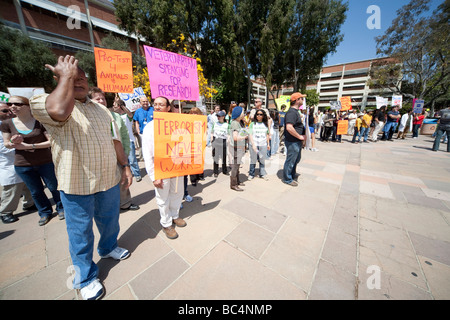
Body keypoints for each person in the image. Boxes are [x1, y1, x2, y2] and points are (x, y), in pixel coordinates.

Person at [30, 56, 132, 300]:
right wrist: (66, 76)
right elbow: (59, 111)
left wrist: (125, 167)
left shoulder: (101, 109)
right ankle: (85, 278)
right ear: (58, 79)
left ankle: (108, 248)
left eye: (82, 79)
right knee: (80, 234)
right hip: (76, 184)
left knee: (110, 221)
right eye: (71, 78)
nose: (79, 82)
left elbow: (115, 140)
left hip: (108, 179)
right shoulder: (42, 101)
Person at [1, 96, 64, 226]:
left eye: (17, 103)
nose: (12, 106)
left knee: (54, 187)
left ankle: (61, 208)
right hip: (23, 165)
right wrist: (13, 142)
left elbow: (51, 141)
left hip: (45, 162)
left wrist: (30, 146)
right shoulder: (7, 124)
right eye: (10, 103)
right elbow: (6, 143)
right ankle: (45, 212)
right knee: (35, 191)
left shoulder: (40, 122)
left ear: (28, 106)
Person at [141, 96, 186, 239]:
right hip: (161, 169)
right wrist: (153, 176)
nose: (157, 107)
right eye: (155, 104)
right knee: (163, 197)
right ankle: (166, 224)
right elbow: (147, 154)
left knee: (177, 193)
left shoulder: (177, 124)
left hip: (177, 167)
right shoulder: (150, 127)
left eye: (161, 104)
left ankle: (175, 215)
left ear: (168, 108)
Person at [89, 87, 140, 212]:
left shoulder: (115, 116)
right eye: (97, 99)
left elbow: (124, 136)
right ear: (90, 101)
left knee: (123, 181)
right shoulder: (87, 117)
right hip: (98, 158)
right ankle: (106, 207)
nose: (101, 101)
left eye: (103, 98)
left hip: (118, 156)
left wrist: (126, 153)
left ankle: (125, 203)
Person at [0, 101, 35, 223]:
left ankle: (29, 204)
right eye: (4, 110)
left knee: (28, 187)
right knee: (12, 190)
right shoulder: (3, 126)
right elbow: (3, 148)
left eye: (9, 109)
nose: (9, 112)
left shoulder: (13, 122)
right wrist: (20, 145)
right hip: (9, 164)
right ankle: (5, 212)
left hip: (23, 161)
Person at [113, 98, 142, 182]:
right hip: (119, 142)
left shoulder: (127, 116)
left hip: (129, 141)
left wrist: (121, 104)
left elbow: (130, 114)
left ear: (119, 106)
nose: (113, 107)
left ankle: (137, 174)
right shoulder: (115, 117)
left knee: (132, 159)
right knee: (124, 160)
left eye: (114, 105)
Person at [282, 92, 306, 187]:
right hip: (293, 141)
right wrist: (300, 136)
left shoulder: (295, 112)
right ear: (296, 100)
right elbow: (289, 127)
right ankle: (287, 179)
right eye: (301, 98)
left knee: (296, 159)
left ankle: (291, 174)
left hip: (296, 141)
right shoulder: (292, 112)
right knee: (291, 160)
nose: (303, 100)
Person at [229, 106, 248, 191]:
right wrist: (245, 136)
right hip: (236, 147)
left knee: (238, 165)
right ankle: (233, 184)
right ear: (239, 114)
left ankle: (237, 181)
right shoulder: (235, 123)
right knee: (235, 166)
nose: (244, 114)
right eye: (243, 112)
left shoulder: (239, 122)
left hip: (239, 147)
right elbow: (235, 138)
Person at [248, 109, 270, 180]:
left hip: (263, 144)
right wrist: (253, 144)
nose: (259, 116)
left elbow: (267, 134)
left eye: (261, 114)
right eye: (257, 114)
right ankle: (251, 174)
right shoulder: (252, 124)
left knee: (262, 160)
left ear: (263, 116)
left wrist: (268, 144)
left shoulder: (265, 124)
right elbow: (250, 134)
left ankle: (262, 173)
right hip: (254, 145)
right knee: (253, 159)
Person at [210, 110, 229, 177]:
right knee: (216, 157)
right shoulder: (215, 124)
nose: (218, 117)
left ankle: (224, 170)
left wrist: (228, 141)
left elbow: (229, 134)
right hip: (216, 140)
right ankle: (215, 171)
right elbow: (212, 132)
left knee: (224, 157)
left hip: (223, 141)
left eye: (219, 116)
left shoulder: (226, 125)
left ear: (223, 117)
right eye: (217, 116)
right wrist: (211, 140)